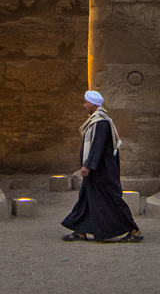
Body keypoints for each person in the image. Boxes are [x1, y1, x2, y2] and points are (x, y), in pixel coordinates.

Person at [60, 90, 142, 243]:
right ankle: (81, 230)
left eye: (85, 102)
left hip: (102, 171)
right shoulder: (96, 121)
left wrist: (88, 166)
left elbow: (97, 146)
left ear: (92, 104)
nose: (84, 105)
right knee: (86, 198)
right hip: (96, 171)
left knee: (112, 199)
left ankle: (133, 230)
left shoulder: (101, 122)